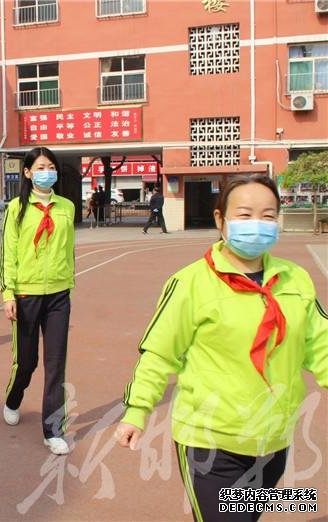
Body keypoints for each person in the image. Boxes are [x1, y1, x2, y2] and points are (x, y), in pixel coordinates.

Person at [115, 175, 327, 522]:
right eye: (244, 215)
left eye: (268, 215)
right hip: (209, 442)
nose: (257, 224)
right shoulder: (191, 283)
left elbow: (321, 344)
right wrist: (137, 410)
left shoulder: (295, 280)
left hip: (272, 439)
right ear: (220, 220)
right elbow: (158, 352)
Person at [0, 147, 76, 455]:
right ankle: (14, 397)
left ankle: (52, 429)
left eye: (51, 167)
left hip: (58, 294)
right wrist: (9, 294)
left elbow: (69, 247)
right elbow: (9, 254)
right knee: (27, 362)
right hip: (26, 294)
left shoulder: (67, 207)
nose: (48, 171)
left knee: (56, 363)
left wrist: (68, 280)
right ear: (28, 172)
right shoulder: (16, 208)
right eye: (41, 167)